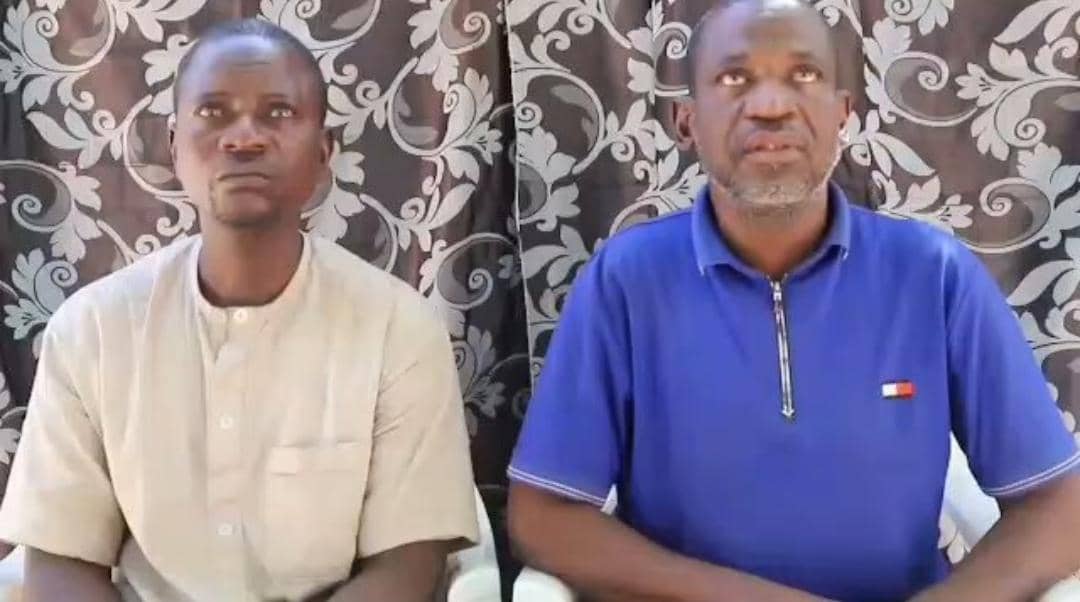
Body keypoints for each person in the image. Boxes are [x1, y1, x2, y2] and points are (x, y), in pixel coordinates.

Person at [506, 1, 1080, 600]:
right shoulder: (626, 281)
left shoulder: (933, 275)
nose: (772, 106)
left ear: (843, 115)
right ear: (686, 122)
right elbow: (543, 517)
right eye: (735, 78)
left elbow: (1059, 507)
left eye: (803, 75)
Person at [0, 19, 477, 602]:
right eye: (213, 112)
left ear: (323, 152)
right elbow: (60, 560)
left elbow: (407, 566)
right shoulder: (92, 330)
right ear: (173, 148)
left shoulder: (398, 330)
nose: (244, 138)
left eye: (278, 113)